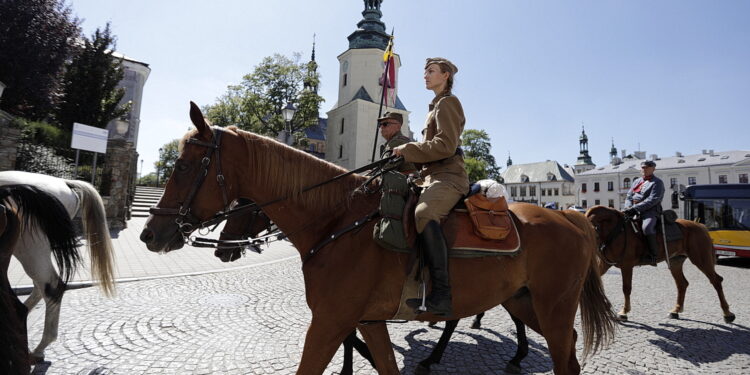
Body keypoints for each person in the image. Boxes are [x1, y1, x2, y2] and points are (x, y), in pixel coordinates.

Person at [393, 57, 469, 317]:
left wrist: (408, 149)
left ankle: (442, 295)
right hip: (430, 176)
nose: (425, 75)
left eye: (431, 71)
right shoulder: (433, 107)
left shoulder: (448, 103)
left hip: (449, 176)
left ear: (445, 75)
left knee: (424, 213)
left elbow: (445, 146)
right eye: (425, 71)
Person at [623, 160, 665, 266]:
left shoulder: (657, 182)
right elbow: (629, 196)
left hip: (650, 211)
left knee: (647, 228)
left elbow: (653, 200)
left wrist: (635, 208)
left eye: (647, 167)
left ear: (653, 169)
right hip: (633, 210)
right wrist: (628, 207)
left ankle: (653, 256)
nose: (644, 169)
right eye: (643, 168)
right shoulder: (636, 181)